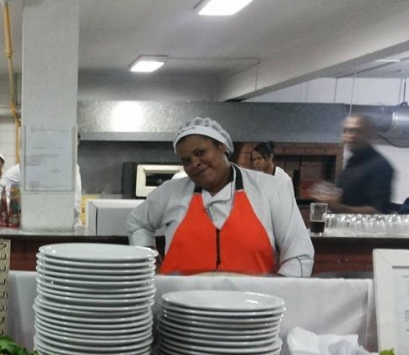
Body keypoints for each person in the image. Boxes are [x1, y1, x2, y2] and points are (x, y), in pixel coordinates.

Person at [126, 116, 313, 277]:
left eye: (200, 152)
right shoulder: (170, 192)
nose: (195, 163)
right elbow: (137, 223)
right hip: (180, 308)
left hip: (251, 310)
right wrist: (151, 268)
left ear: (222, 146)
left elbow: (299, 255)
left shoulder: (270, 189)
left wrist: (279, 291)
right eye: (186, 160)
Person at [310, 113, 394, 214]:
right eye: (346, 131)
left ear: (369, 134)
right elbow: (349, 198)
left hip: (362, 230)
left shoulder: (380, 166)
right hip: (343, 228)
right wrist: (330, 195)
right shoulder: (352, 161)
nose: (351, 136)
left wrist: (336, 207)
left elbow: (378, 211)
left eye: (357, 131)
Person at [2, 162, 83, 224]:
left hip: (66, 226)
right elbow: (11, 208)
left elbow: (74, 210)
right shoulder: (14, 173)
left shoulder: (71, 166)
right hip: (30, 225)